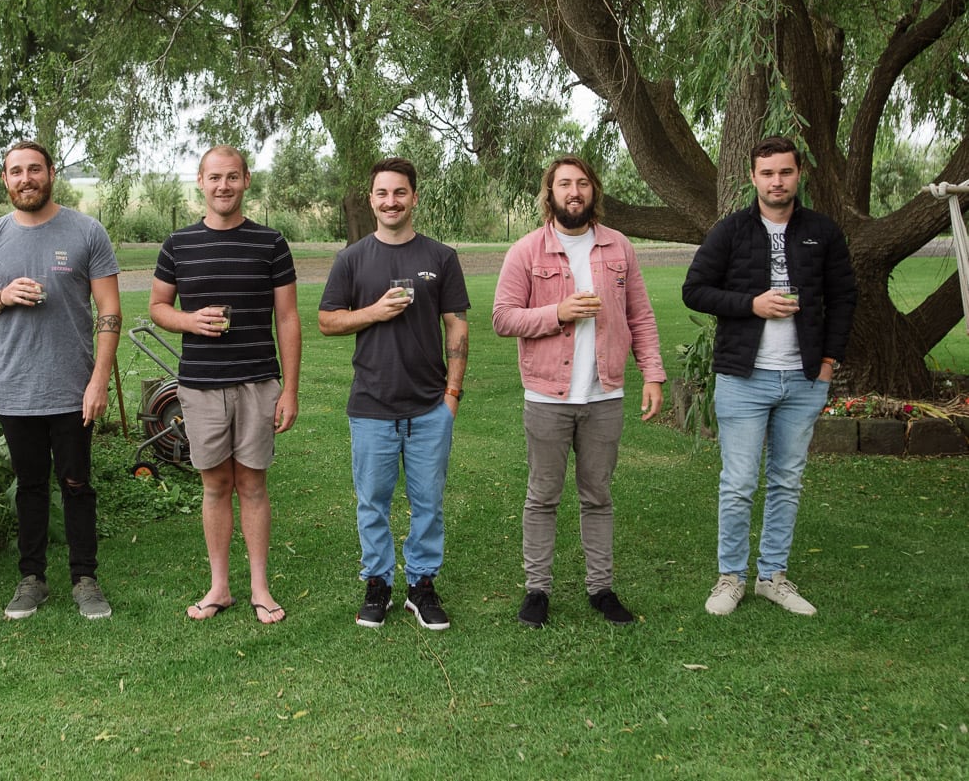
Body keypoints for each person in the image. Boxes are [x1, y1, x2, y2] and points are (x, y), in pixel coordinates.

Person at [683, 135, 857, 617]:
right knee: (738, 483)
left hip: (802, 380)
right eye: (767, 173)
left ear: (799, 173)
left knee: (786, 480)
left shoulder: (823, 232)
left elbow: (843, 300)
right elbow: (694, 291)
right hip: (743, 377)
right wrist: (751, 304)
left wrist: (828, 365)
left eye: (784, 172)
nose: (776, 181)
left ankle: (772, 576)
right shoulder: (732, 231)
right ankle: (731, 577)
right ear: (753, 178)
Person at [491, 156, 666, 628]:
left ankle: (601, 589)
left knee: (598, 495)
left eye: (582, 183)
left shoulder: (618, 248)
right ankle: (537, 591)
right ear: (550, 193)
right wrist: (558, 312)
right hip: (548, 397)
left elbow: (641, 317)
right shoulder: (527, 251)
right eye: (564, 183)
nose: (574, 191)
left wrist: (652, 374)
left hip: (603, 395)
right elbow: (503, 316)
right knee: (542, 496)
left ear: (593, 191)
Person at [0, 140, 122, 620]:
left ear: (51, 172)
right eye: (15, 172)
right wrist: (2, 296)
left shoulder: (87, 231)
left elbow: (110, 310)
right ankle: (32, 578)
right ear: (5, 179)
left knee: (76, 484)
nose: (25, 178)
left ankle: (84, 579)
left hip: (74, 388)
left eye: (34, 169)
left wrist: (99, 381)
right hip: (17, 387)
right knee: (29, 486)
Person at [149, 145, 301, 625]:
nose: (223, 186)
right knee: (215, 484)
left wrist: (290, 389)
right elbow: (157, 307)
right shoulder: (178, 244)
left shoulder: (271, 243)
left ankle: (260, 587)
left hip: (258, 383)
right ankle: (220, 587)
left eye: (232, 177)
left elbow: (288, 318)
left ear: (246, 181)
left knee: (253, 484)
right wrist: (190, 321)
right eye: (214, 178)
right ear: (200, 181)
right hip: (200, 385)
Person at [319, 157, 469, 630]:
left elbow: (457, 327)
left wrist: (452, 396)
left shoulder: (441, 257)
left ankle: (421, 586)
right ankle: (378, 583)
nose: (391, 201)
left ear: (414, 198)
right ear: (371, 199)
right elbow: (327, 321)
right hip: (371, 407)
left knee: (428, 501)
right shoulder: (353, 259)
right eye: (382, 193)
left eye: (400, 193)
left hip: (429, 407)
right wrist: (373, 312)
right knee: (373, 502)